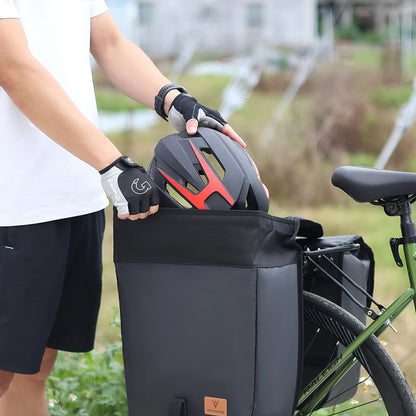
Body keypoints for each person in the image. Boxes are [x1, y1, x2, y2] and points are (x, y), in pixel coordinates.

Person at [0, 1, 244, 414]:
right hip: (13, 206)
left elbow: (110, 43)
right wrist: (110, 162)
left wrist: (174, 100)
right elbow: (13, 66)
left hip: (74, 197)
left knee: (34, 370)